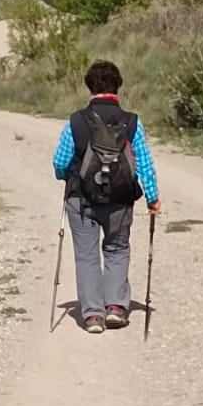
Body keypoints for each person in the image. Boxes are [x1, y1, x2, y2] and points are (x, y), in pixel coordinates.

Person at [52, 60, 161, 333]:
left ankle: (92, 315)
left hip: (81, 199)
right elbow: (144, 164)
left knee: (86, 255)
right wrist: (152, 198)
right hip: (120, 199)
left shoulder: (76, 121)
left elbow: (60, 162)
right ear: (118, 87)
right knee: (117, 249)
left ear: (89, 87)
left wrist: (66, 178)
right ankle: (116, 307)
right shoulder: (132, 122)